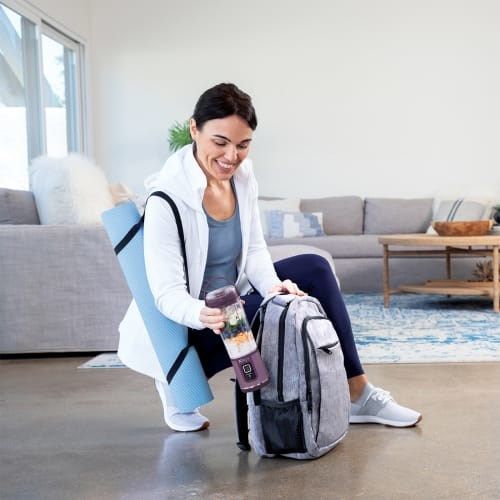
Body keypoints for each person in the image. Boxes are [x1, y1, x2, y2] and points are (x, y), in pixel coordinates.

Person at [118, 83, 422, 432]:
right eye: (220, 142)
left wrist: (272, 287)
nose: (231, 156)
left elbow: (254, 250)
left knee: (314, 268)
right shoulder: (166, 199)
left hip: (233, 305)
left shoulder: (242, 178)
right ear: (194, 129)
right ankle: (183, 386)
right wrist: (202, 313)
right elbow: (166, 294)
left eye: (242, 144)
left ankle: (359, 393)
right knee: (261, 312)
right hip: (195, 326)